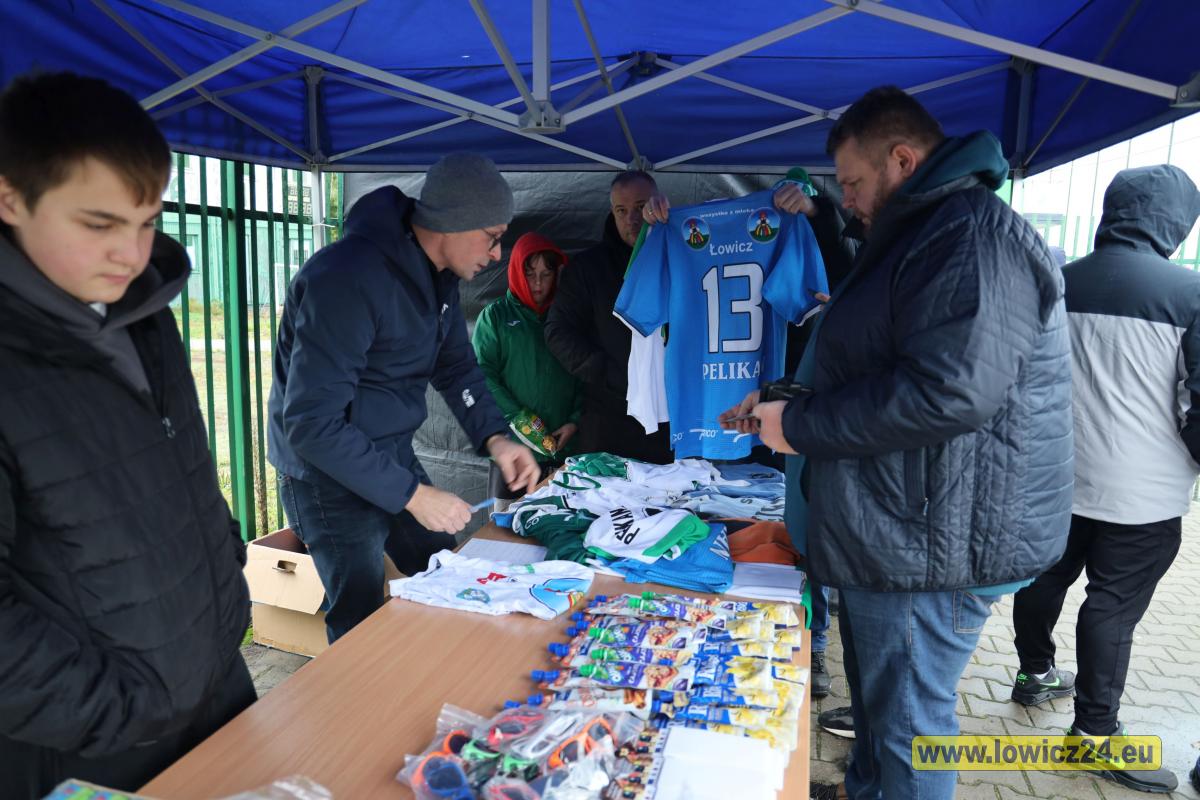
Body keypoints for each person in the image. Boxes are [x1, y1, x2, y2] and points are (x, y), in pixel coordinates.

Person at [722, 85, 1074, 800]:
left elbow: (948, 393)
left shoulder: (970, 237)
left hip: (929, 545)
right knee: (883, 720)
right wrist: (788, 402)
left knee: (907, 728)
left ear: (903, 161)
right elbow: (886, 366)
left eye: (852, 183)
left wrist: (802, 425)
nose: (846, 201)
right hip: (899, 532)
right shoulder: (922, 234)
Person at [0, 72, 254, 798]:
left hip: (215, 686)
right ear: (10, 198)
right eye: (99, 224)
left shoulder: (144, 310)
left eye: (147, 223)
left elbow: (176, 466)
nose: (131, 254)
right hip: (88, 744)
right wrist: (116, 709)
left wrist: (224, 586)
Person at [267, 152, 540, 644]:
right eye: (493, 236)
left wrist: (497, 438)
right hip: (325, 472)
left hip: (387, 452)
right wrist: (414, 496)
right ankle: (363, 692)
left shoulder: (437, 277)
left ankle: (436, 672)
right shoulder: (346, 277)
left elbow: (456, 367)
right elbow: (310, 424)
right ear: (453, 222)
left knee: (441, 565)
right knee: (359, 612)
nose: (498, 254)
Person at [1009, 165, 1200, 794]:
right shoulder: (1191, 294)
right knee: (1111, 608)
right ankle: (1093, 734)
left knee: (1044, 578)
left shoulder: (1056, 281)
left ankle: (1035, 673)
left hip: (1056, 476)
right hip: (1143, 494)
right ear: (1176, 222)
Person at [641, 169, 859, 702]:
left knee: (799, 536)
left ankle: (811, 642)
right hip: (721, 418)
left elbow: (834, 282)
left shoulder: (808, 233)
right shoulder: (680, 231)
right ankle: (720, 636)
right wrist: (652, 226)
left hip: (785, 418)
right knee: (718, 531)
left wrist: (816, 217)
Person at [544, 170, 673, 463]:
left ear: (657, 204)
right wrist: (607, 371)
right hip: (609, 419)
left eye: (640, 207)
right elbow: (557, 332)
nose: (632, 219)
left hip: (671, 419)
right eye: (621, 210)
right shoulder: (588, 268)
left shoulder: (680, 259)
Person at [472, 231, 582, 503]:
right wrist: (518, 417)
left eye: (546, 274)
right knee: (504, 523)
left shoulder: (569, 316)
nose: (538, 283)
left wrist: (575, 421)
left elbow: (584, 371)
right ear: (516, 272)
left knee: (559, 521)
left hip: (562, 449)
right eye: (530, 274)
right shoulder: (496, 316)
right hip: (512, 451)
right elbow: (481, 374)